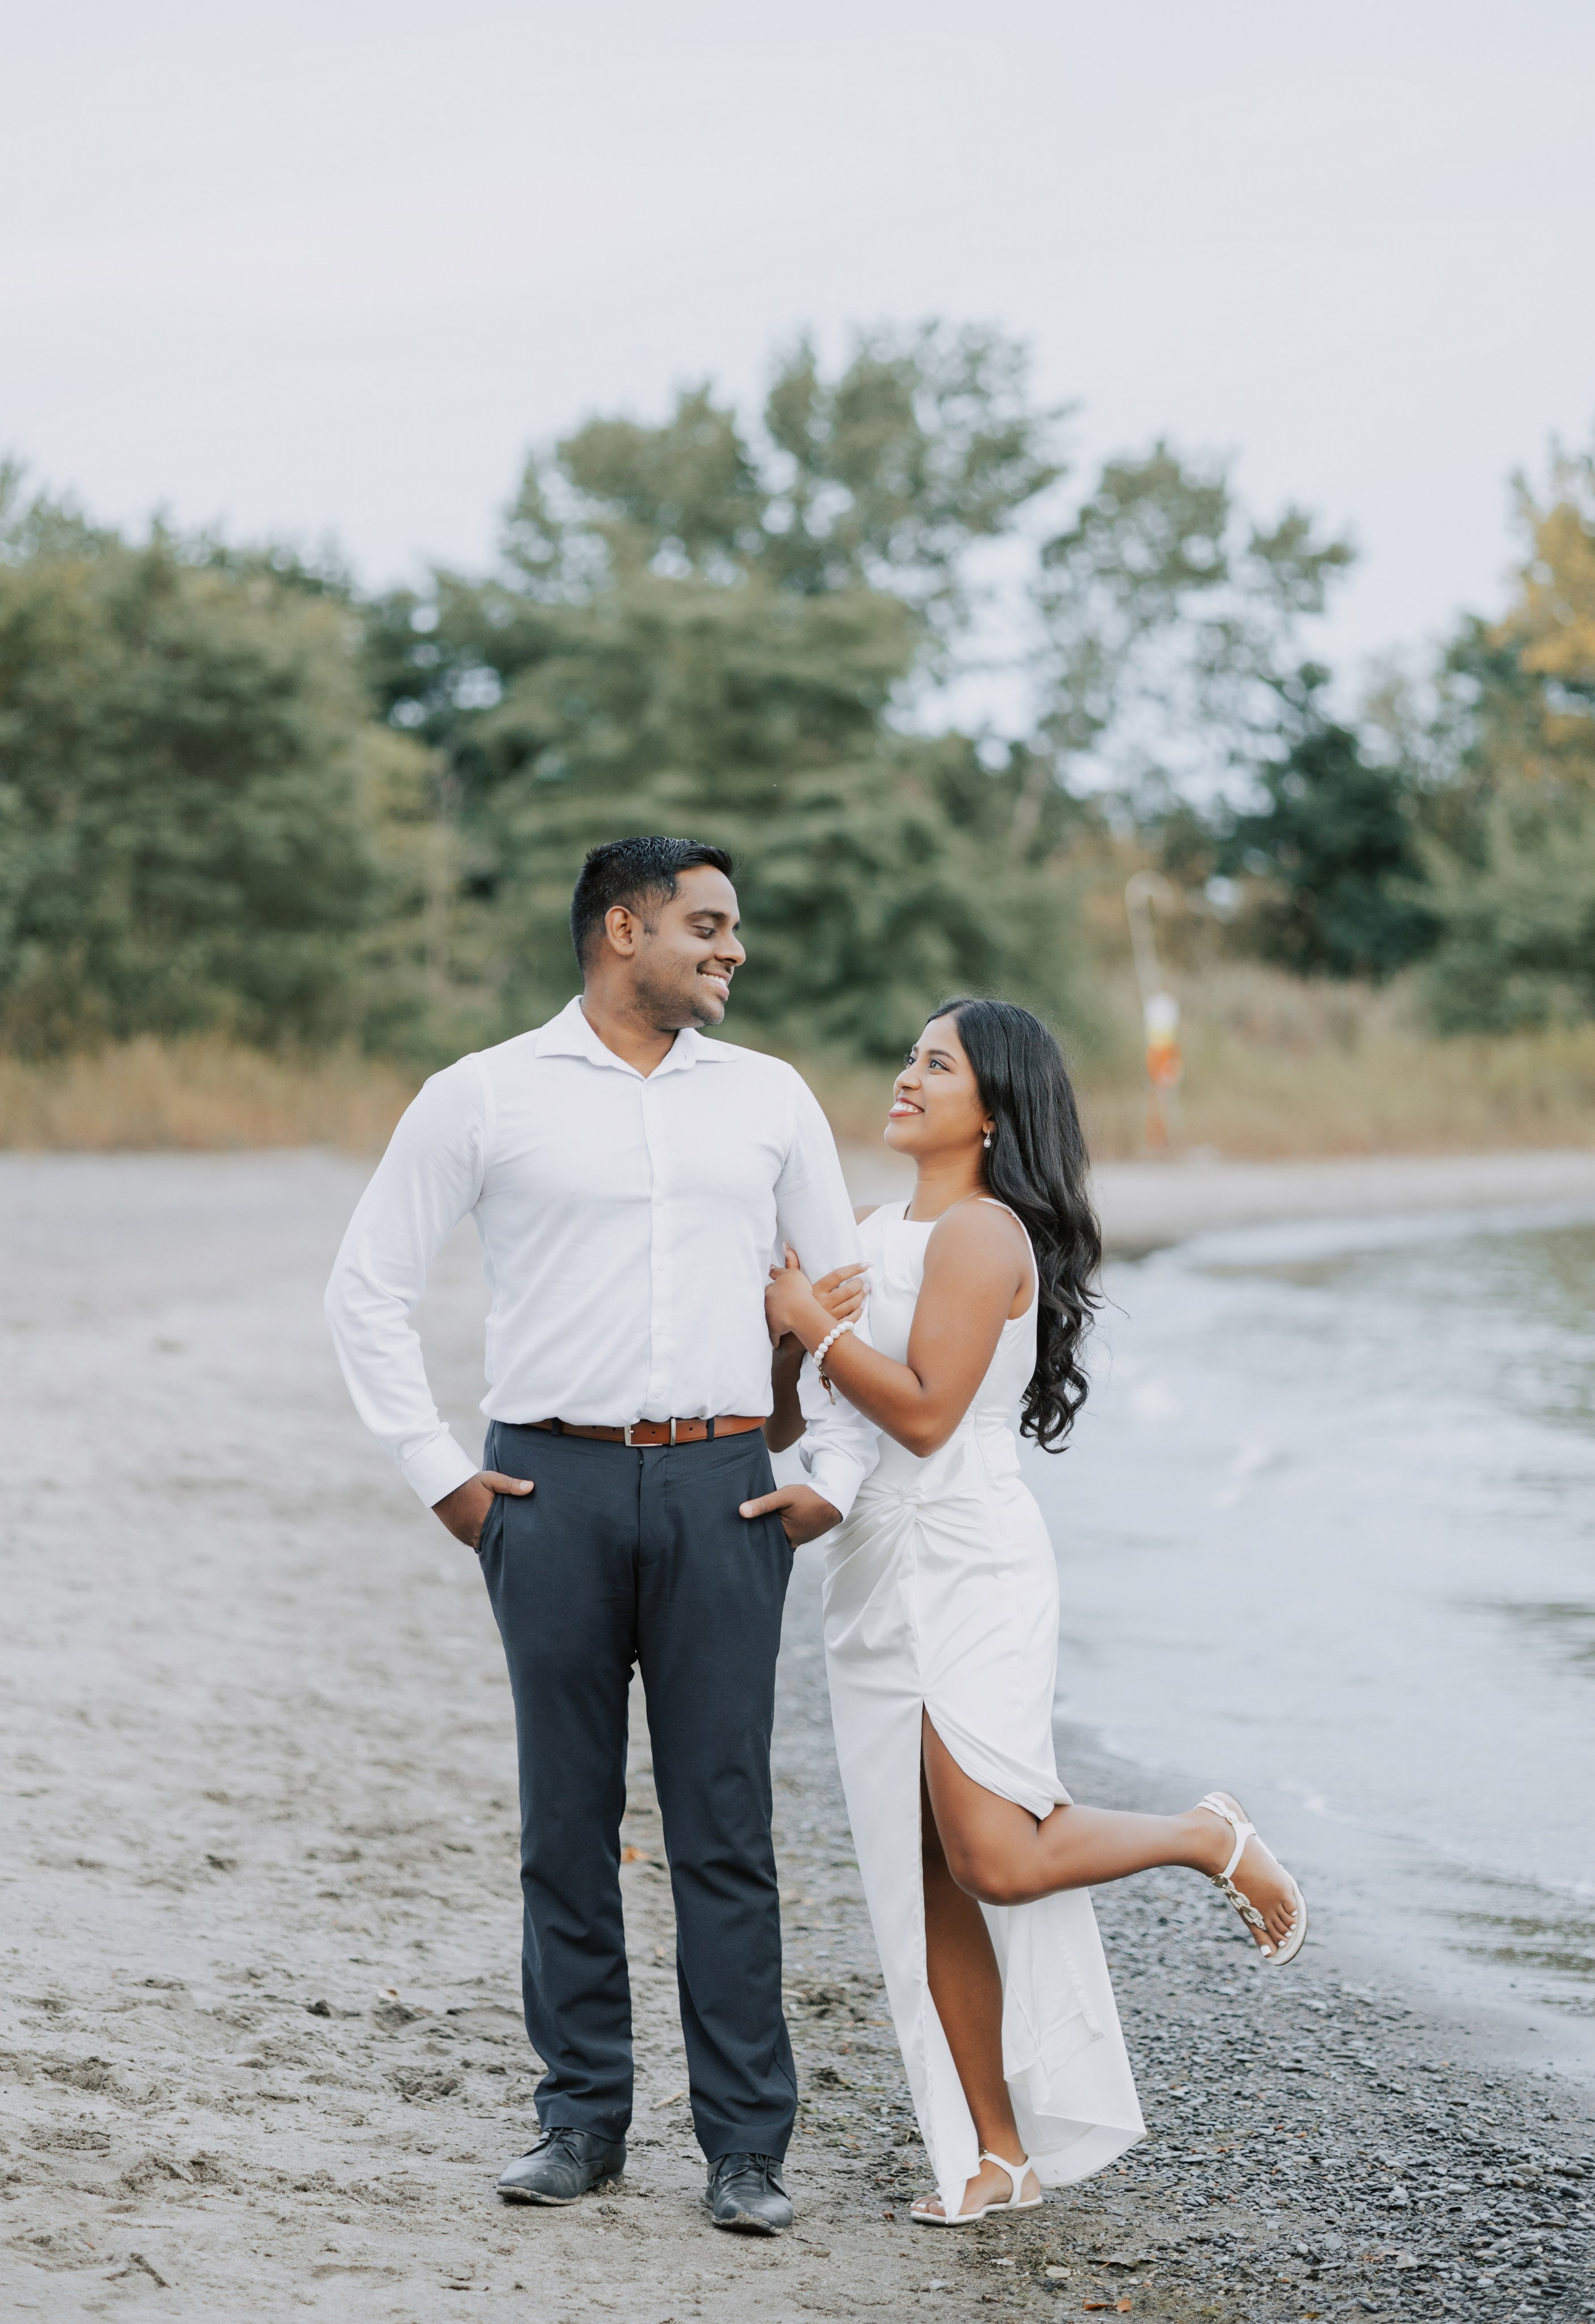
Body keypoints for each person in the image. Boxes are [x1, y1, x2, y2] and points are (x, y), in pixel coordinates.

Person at [324, 836, 874, 2237]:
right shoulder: (485, 1093)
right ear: (622, 929)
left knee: (723, 1828)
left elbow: (841, 1292)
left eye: (732, 927)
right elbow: (366, 1287)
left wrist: (837, 1467)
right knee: (564, 1820)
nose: (730, 949)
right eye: (706, 924)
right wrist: (441, 1472)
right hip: (543, 1490)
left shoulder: (767, 1097)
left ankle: (746, 2146)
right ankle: (579, 2117)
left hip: (724, 1490)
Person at [748, 995, 1307, 2227]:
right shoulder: (866, 1226)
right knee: (928, 1874)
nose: (903, 1075)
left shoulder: (983, 1234)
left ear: (990, 1108)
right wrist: (787, 1353)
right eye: (906, 1055)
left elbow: (928, 1412)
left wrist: (809, 1322)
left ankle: (1202, 1832)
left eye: (932, 1064)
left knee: (994, 1855)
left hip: (969, 1562)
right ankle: (993, 2150)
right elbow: (808, 1421)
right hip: (871, 1573)